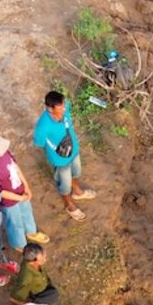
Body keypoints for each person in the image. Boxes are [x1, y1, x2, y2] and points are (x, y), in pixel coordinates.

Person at [0, 131, 49, 252]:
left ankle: (31, 232)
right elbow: (0, 192)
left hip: (20, 190)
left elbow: (15, 167)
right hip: (8, 200)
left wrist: (26, 186)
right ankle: (19, 243)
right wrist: (20, 198)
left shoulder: (5, 153)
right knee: (15, 222)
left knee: (27, 212)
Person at [33, 91, 96, 221]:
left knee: (77, 173)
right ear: (50, 109)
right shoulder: (42, 127)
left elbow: (67, 106)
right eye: (60, 107)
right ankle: (69, 204)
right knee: (65, 184)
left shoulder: (65, 105)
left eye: (63, 104)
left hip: (74, 151)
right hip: (60, 160)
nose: (64, 108)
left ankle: (77, 192)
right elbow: (40, 143)